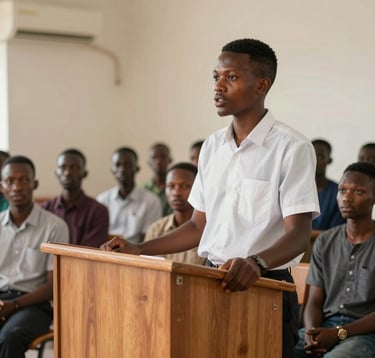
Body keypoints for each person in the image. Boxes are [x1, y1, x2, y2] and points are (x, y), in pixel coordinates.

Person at [101, 38, 319, 357]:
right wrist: (140, 249)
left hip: (264, 286)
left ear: (262, 84)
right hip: (208, 279)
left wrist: (255, 262)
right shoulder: (212, 147)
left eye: (231, 77)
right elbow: (197, 226)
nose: (218, 86)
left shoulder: (291, 148)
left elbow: (298, 234)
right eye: (215, 77)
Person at [295, 162, 375, 357]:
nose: (346, 197)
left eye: (357, 192)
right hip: (325, 328)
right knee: (270, 345)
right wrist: (312, 333)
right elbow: (313, 301)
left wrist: (339, 333)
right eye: (342, 190)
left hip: (365, 334)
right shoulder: (325, 241)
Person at [0, 155, 69, 358]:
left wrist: (16, 305)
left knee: (10, 337)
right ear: (2, 186)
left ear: (34, 183)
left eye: (24, 180)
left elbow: (53, 286)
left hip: (34, 305)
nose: (17, 187)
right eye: (10, 181)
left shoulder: (55, 226)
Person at [42, 148, 109, 248]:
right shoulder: (45, 209)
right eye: (63, 167)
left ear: (85, 173)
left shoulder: (98, 211)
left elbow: (90, 252)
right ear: (57, 173)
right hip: (49, 263)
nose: (68, 172)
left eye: (74, 167)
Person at [144, 162, 206, 265]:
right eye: (171, 186)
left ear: (198, 189)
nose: (176, 193)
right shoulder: (155, 229)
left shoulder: (208, 229)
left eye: (185, 186)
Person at [97, 146, 162, 243]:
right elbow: (98, 235)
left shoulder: (151, 201)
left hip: (136, 254)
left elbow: (148, 239)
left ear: (137, 168)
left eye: (127, 165)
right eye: (118, 165)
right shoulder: (102, 200)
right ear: (112, 170)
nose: (122, 169)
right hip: (106, 253)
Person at [311, 139, 345, 231]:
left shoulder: (339, 192)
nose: (315, 160)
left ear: (329, 160)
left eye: (320, 156)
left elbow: (335, 234)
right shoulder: (295, 188)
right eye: (311, 155)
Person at [143, 142, 173, 216]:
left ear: (170, 160)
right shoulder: (142, 189)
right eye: (154, 157)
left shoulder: (175, 188)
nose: (158, 161)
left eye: (163, 157)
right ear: (149, 162)